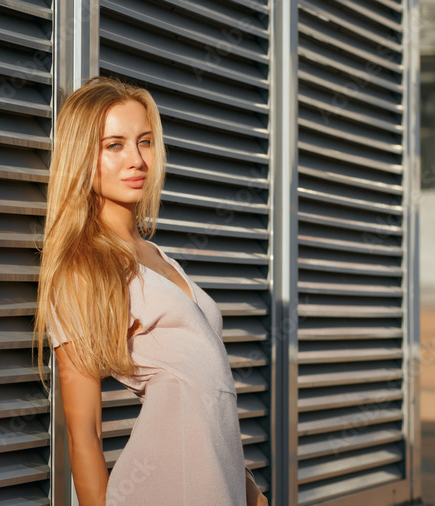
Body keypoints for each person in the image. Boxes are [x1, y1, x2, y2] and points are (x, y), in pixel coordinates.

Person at [33, 76, 268, 506]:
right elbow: (84, 429)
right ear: (83, 156)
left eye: (145, 142)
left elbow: (204, 391)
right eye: (115, 145)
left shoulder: (159, 255)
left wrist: (250, 489)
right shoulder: (84, 267)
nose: (137, 160)